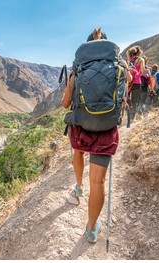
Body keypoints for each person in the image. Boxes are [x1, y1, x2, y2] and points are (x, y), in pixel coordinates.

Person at [62, 28, 131, 243]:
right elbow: (123, 101)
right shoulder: (121, 68)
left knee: (78, 153)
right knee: (99, 182)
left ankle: (78, 188)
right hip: (106, 129)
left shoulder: (78, 69)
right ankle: (91, 229)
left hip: (82, 128)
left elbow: (65, 104)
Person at [126, 46, 146, 121]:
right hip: (137, 82)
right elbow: (142, 71)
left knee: (127, 100)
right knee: (134, 101)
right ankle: (131, 118)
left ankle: (126, 117)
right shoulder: (141, 59)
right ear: (138, 52)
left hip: (128, 82)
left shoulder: (128, 60)